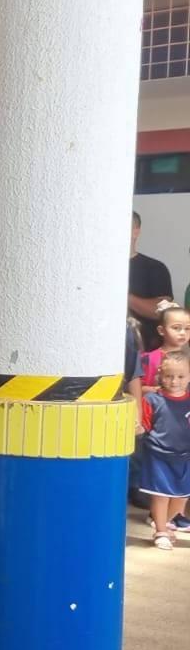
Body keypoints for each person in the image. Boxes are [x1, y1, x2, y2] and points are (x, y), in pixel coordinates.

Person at [136, 350, 190, 549]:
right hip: (157, 455)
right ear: (160, 374)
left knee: (181, 498)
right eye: (168, 376)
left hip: (185, 456)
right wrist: (137, 429)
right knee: (160, 496)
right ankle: (160, 531)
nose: (174, 381)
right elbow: (144, 425)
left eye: (181, 376)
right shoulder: (152, 399)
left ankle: (162, 523)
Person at [129, 211, 175, 350]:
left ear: (135, 232)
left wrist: (122, 296)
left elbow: (162, 310)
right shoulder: (97, 269)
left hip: (145, 355)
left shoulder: (154, 268)